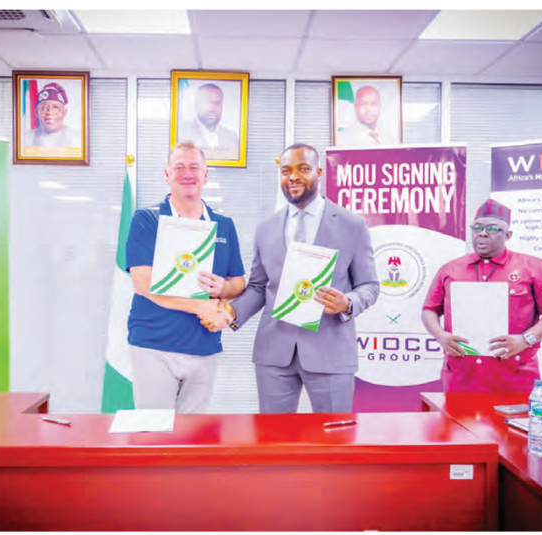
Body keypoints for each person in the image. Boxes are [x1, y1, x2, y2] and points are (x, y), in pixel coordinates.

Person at [203, 143, 379, 413]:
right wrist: (230, 312)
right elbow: (260, 287)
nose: (293, 177)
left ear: (319, 172)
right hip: (274, 353)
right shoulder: (266, 229)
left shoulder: (352, 225)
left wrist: (348, 302)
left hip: (330, 351)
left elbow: (369, 286)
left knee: (333, 444)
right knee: (274, 446)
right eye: (286, 171)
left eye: (303, 169)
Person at [125, 141, 245, 413]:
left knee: (193, 438)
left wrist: (225, 288)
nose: (187, 173)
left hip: (204, 345)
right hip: (154, 346)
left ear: (206, 175)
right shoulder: (146, 220)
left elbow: (239, 282)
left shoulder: (223, 225)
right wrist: (201, 306)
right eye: (179, 167)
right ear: (166, 174)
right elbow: (142, 283)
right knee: (155, 433)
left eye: (194, 167)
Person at [421, 199, 542, 393]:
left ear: (508, 235)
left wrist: (526, 340)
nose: (482, 233)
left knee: (513, 424)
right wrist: (441, 336)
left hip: (514, 376)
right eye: (477, 227)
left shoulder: (533, 268)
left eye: (492, 228)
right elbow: (429, 310)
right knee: (455, 423)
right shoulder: (450, 269)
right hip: (461, 376)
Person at [177, 83, 240, 161]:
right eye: (207, 102)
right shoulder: (182, 134)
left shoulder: (232, 137)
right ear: (196, 105)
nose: (212, 108)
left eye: (217, 103)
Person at [29, 82, 81, 148]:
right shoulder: (27, 139)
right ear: (36, 112)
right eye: (44, 108)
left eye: (55, 108)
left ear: (64, 112)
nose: (50, 112)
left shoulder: (77, 139)